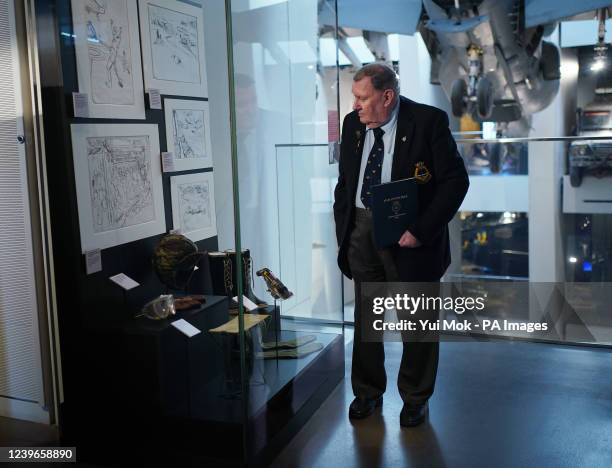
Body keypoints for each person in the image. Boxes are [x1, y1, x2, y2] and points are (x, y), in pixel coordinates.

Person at [333, 63, 469, 427]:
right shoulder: (353, 124)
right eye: (355, 98)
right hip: (361, 232)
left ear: (387, 96)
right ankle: (367, 392)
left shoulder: (428, 122)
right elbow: (346, 181)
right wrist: (343, 232)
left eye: (363, 98)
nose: (356, 105)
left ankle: (415, 398)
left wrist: (421, 230)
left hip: (411, 239)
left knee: (417, 323)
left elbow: (455, 182)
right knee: (367, 320)